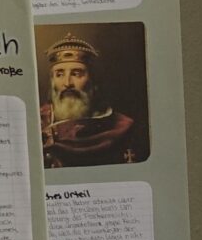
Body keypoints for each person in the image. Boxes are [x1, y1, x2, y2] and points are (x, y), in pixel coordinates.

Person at [40, 35, 140, 168]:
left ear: (93, 81)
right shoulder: (38, 121)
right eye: (59, 74)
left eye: (76, 74)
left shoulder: (121, 127)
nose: (67, 83)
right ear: (52, 82)